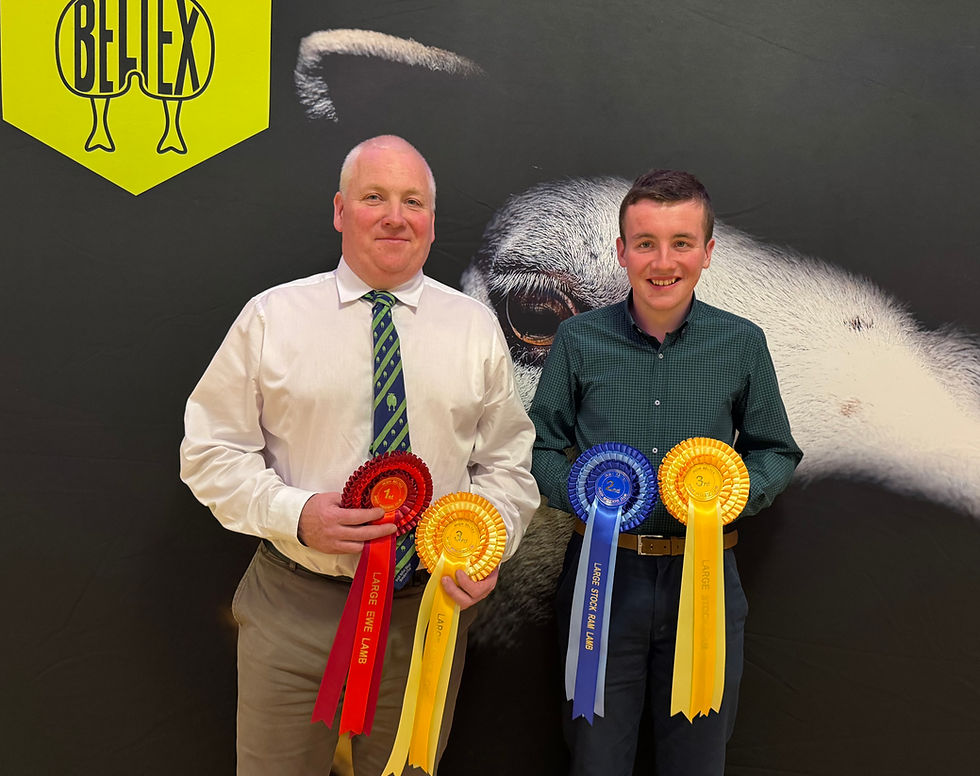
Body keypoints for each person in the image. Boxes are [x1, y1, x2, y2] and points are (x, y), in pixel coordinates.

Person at [180, 135, 539, 776]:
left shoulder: (474, 328)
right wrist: (296, 514)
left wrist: (487, 545)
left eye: (413, 201)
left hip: (424, 616)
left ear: (432, 221)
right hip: (293, 609)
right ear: (341, 211)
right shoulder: (271, 318)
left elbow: (507, 464)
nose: (396, 216)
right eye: (375, 197)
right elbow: (210, 451)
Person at [528, 169, 802, 775]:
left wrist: (730, 497)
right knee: (595, 760)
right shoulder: (577, 340)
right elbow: (540, 446)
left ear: (707, 252)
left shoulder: (742, 343)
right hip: (603, 580)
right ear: (621, 251)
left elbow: (776, 450)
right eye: (645, 243)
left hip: (705, 582)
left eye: (681, 242)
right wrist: (584, 497)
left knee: (697, 761)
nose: (663, 261)